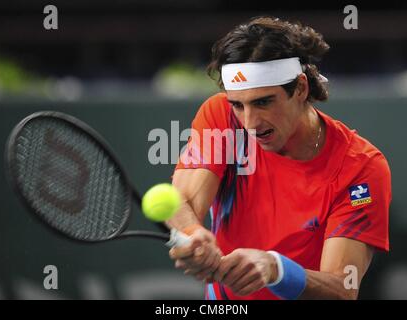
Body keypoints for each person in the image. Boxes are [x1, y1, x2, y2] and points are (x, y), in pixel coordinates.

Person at [166, 16, 391, 300]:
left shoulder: (361, 167)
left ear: (300, 88)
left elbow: (342, 289)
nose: (249, 122)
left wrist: (276, 269)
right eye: (238, 105)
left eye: (263, 102)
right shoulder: (220, 116)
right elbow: (181, 200)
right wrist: (193, 234)